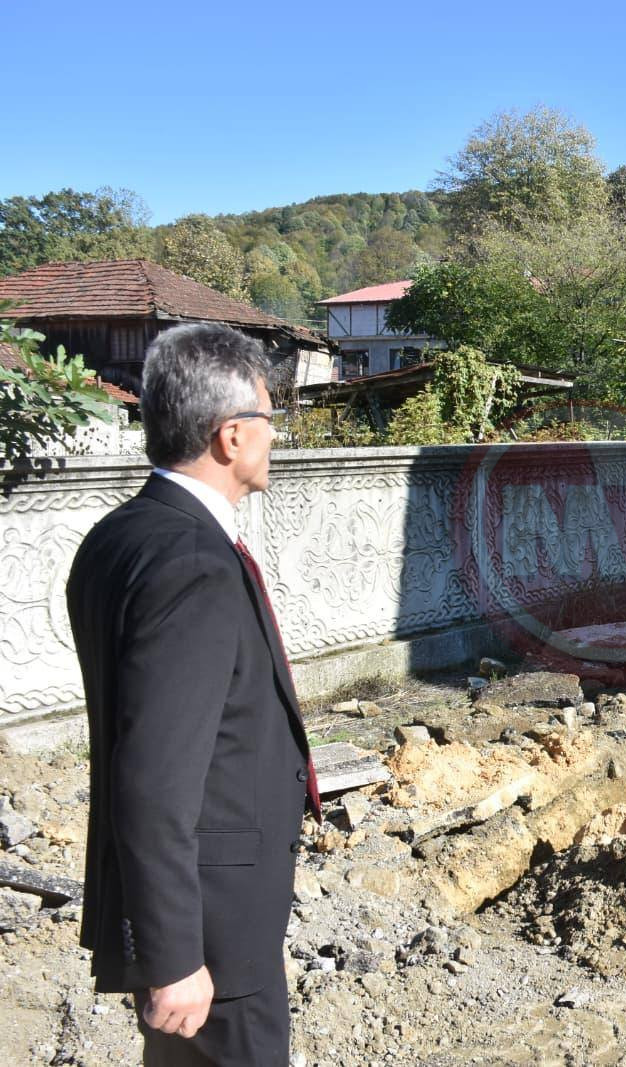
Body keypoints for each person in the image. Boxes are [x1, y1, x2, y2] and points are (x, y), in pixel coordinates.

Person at [66, 323, 319, 1066]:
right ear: (231, 435)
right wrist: (176, 956)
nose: (276, 435)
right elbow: (153, 773)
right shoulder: (194, 561)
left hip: (191, 905)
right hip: (211, 927)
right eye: (270, 418)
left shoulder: (122, 534)